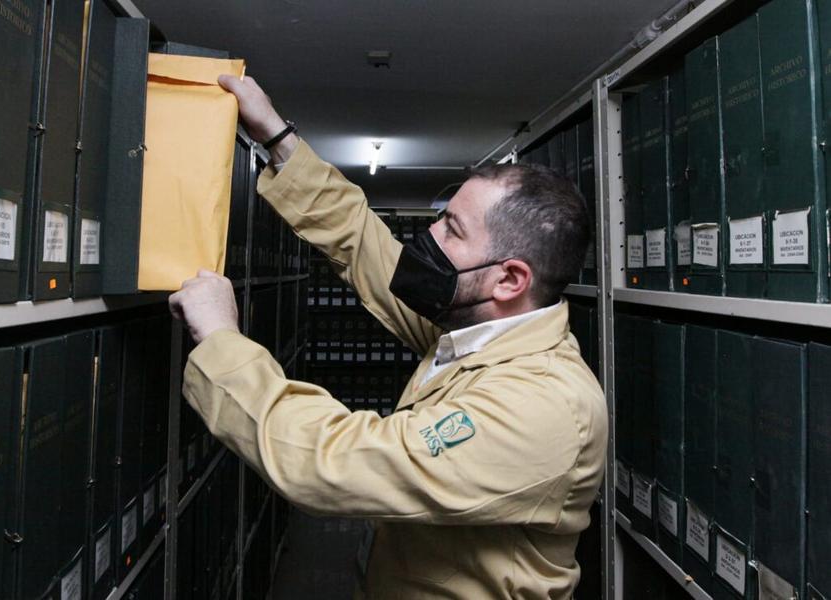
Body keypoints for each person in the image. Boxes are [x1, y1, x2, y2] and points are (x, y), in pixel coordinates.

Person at [169, 75, 607, 600]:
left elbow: (331, 464)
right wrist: (277, 138)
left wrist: (221, 339)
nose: (429, 236)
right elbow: (366, 247)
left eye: (452, 229)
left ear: (509, 280)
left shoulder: (542, 405)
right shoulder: (477, 331)